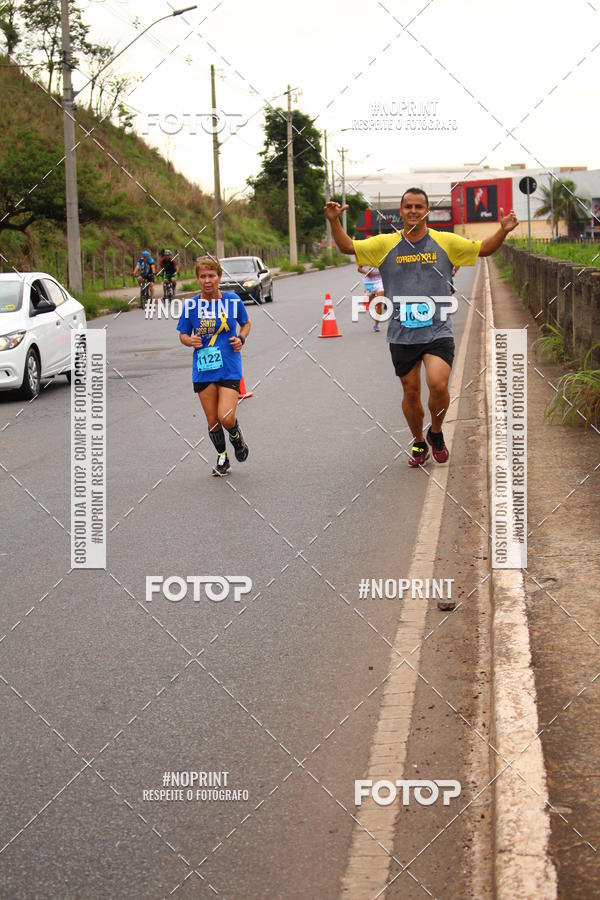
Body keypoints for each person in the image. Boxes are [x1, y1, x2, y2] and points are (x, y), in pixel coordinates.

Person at [325, 188, 518, 467]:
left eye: (419, 206)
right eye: (408, 206)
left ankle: (436, 432)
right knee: (411, 393)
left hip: (438, 329)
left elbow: (483, 249)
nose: (413, 210)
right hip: (402, 333)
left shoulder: (445, 242)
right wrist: (333, 221)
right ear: (401, 212)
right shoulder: (385, 244)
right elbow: (347, 247)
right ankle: (418, 442)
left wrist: (504, 231)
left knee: (438, 384)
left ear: (427, 211)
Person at [177, 255, 251, 476]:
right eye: (203, 276)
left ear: (219, 277)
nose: (207, 280)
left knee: (225, 417)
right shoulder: (191, 305)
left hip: (229, 366)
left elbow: (245, 323)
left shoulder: (232, 301)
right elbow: (183, 334)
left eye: (211, 275)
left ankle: (237, 438)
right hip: (203, 369)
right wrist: (189, 341)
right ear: (198, 279)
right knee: (212, 421)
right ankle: (222, 458)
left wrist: (241, 339)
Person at [358, 264, 385, 332]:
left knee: (379, 303)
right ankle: (373, 299)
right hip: (369, 283)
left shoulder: (379, 257)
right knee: (370, 302)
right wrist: (365, 272)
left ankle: (376, 325)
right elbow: (359, 269)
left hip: (379, 282)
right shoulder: (365, 257)